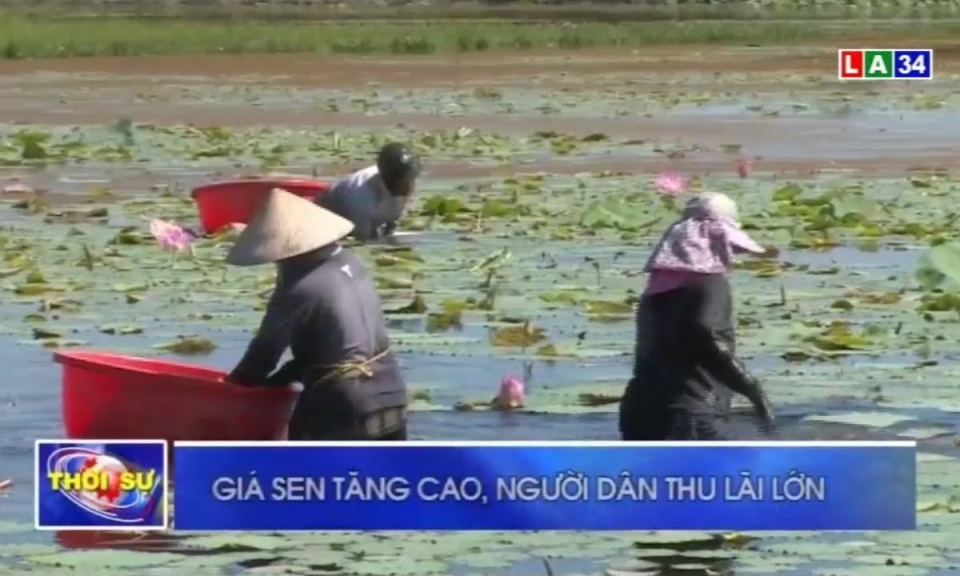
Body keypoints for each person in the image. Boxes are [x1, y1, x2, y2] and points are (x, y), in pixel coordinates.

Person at [225, 188, 408, 441]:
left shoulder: (299, 288)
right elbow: (331, 348)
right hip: (392, 394)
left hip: (345, 403)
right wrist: (281, 379)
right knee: (384, 478)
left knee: (307, 475)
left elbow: (262, 358)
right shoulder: (353, 263)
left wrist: (228, 392)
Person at [619, 192, 776, 441]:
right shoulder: (708, 283)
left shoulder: (656, 288)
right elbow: (705, 334)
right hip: (690, 412)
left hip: (639, 410)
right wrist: (751, 389)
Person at [315, 142, 422, 242]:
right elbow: (365, 241)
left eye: (411, 179)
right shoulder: (362, 198)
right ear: (389, 179)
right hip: (324, 220)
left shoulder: (404, 185)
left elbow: (392, 224)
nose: (409, 187)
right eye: (402, 182)